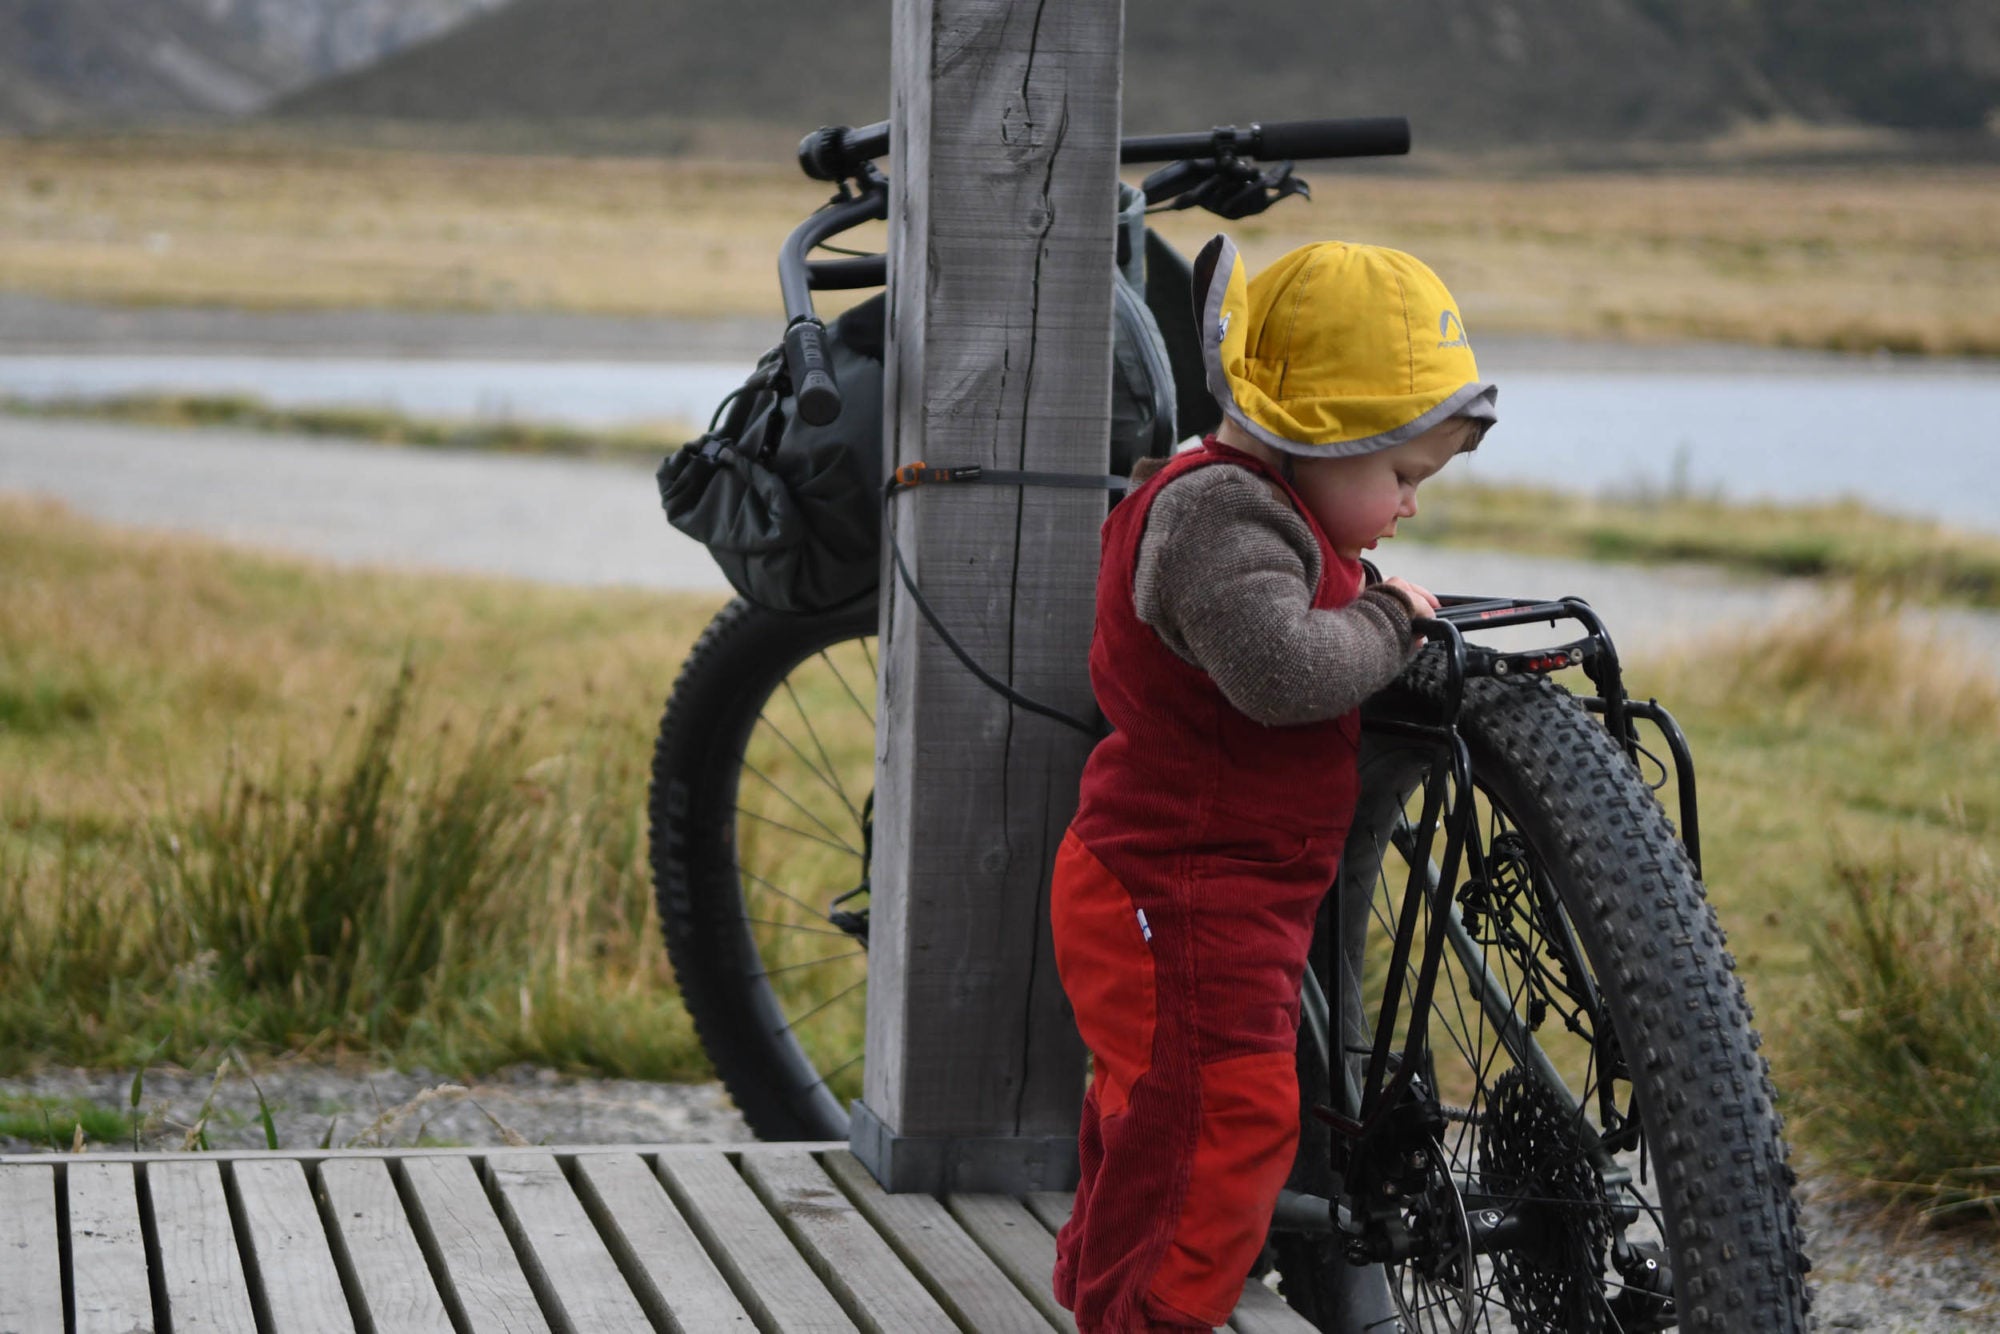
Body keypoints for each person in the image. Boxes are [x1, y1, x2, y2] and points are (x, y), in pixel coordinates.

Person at [1049, 234, 1497, 1332]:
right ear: (1314, 437)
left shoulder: (1263, 509)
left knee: (1155, 1106)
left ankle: (1106, 1284)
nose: (1405, 506)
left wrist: (1365, 591)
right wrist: (1389, 617)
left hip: (1206, 885)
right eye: (1398, 475)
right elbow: (1283, 668)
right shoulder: (1217, 517)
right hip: (1178, 889)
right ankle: (1144, 1315)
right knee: (1219, 1120)